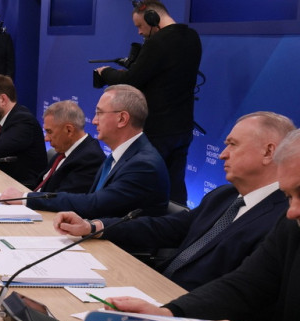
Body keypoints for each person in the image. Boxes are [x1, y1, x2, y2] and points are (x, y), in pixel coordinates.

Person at [105, 128, 300, 321]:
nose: (292, 210)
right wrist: (169, 313)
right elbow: (245, 285)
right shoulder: (290, 225)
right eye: (289, 196)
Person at [53, 111, 292, 290]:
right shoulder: (223, 196)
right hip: (159, 286)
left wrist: (170, 309)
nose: (222, 154)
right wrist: (94, 227)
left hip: (195, 313)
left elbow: (240, 292)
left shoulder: (284, 218)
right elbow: (168, 227)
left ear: (268, 152)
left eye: (232, 144)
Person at [95, 0, 202, 205]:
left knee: (145, 188)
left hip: (157, 129)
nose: (139, 32)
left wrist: (105, 72)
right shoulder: (192, 37)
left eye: (140, 25)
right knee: (175, 187)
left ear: (153, 18)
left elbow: (131, 80)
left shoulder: (157, 43)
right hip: (183, 127)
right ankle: (177, 222)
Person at [4, 85, 170, 217]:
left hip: (117, 246)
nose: (95, 121)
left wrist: (26, 198)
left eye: (99, 113)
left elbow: (95, 204)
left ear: (122, 119)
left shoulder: (143, 165)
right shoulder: (118, 156)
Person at [32, 100, 105, 194]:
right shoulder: (64, 148)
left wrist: (26, 198)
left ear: (69, 130)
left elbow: (61, 199)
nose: (46, 139)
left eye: (49, 132)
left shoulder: (91, 158)